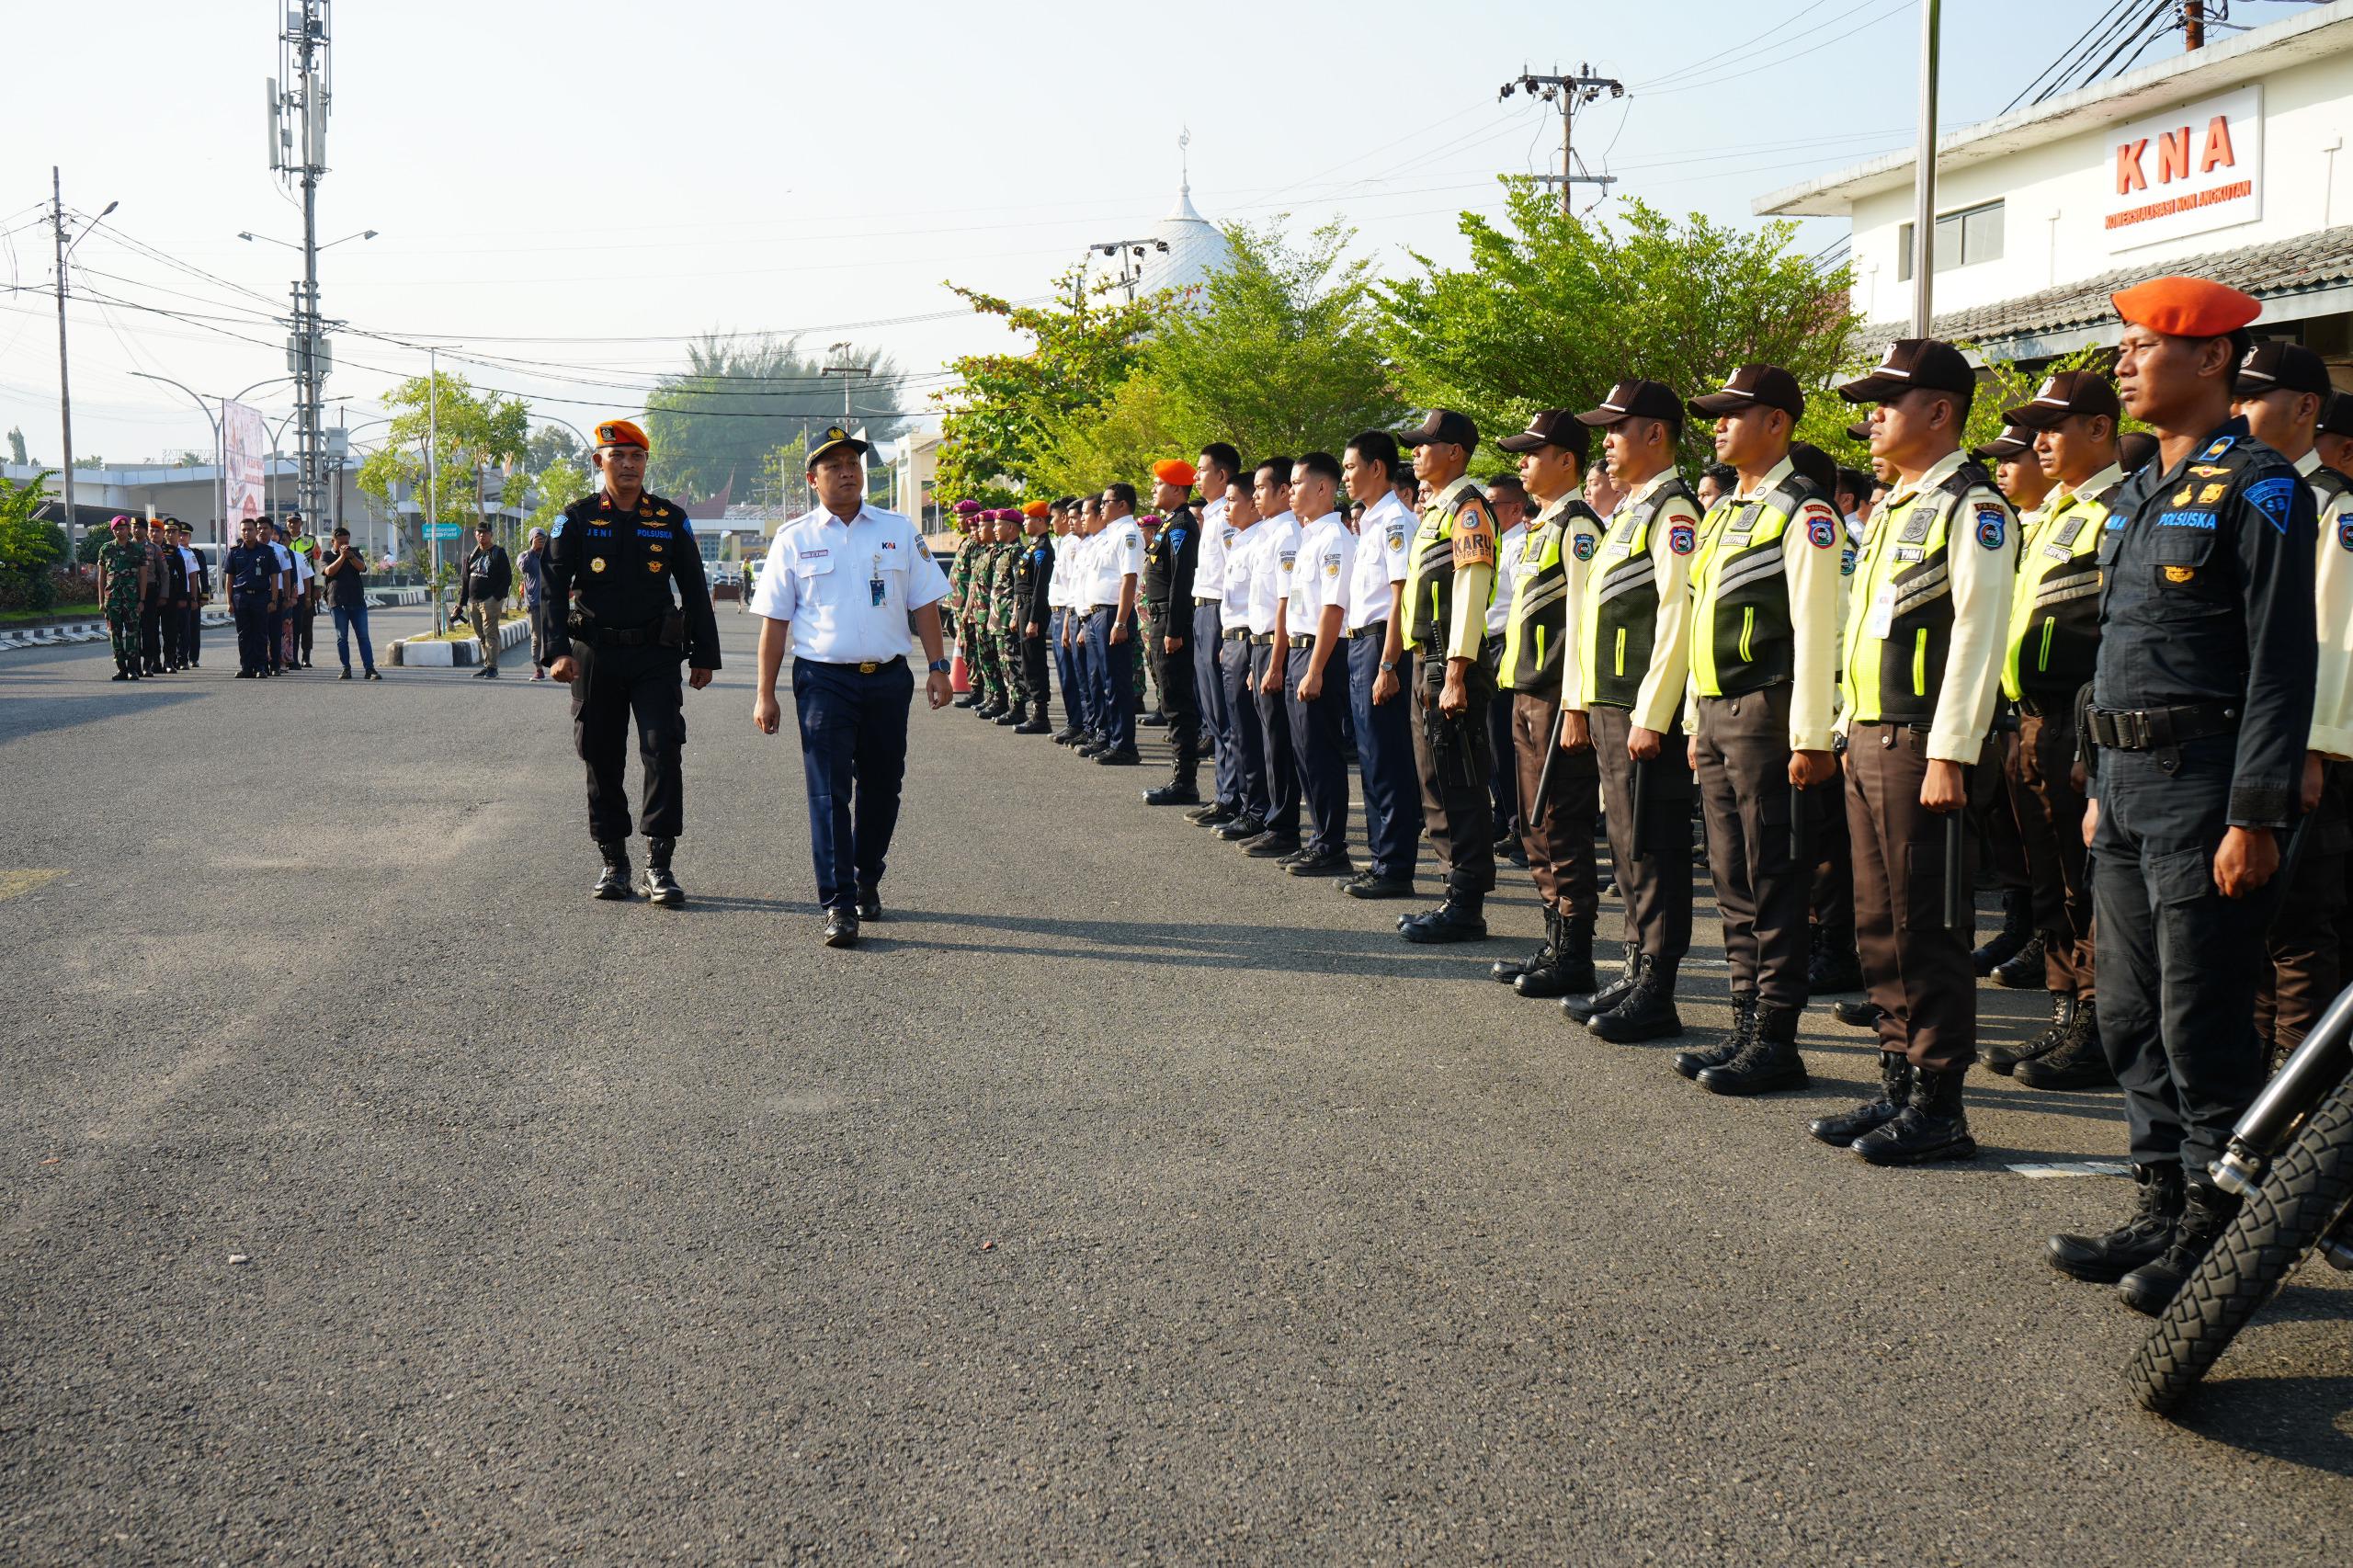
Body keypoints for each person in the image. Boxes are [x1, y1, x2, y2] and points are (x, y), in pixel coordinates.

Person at [2049, 278, 2318, 1312]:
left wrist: (2254, 813)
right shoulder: (2135, 490)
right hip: (2123, 785)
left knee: (2200, 1015)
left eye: (2141, 346)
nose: (2121, 364)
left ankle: (2216, 1225)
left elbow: (2280, 664)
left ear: (2210, 359)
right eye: (2120, 347)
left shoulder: (2260, 486)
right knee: (2126, 1011)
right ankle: (2158, 1202)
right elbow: (2117, 651)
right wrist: (2095, 780)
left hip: (2203, 788)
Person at [1819, 338, 2016, 1165]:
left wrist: (1951, 751)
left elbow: (1978, 633)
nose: (1872, 418)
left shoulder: (1974, 506)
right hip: (1872, 736)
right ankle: (1898, 1079)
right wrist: (1843, 724)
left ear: (1939, 412)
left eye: (1886, 404)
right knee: (1878, 922)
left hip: (1921, 744)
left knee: (1927, 925)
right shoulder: (1900, 505)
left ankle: (1940, 1104)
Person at [1674, 364, 1845, 1094]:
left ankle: (1777, 1036)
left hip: (1767, 712)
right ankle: (1744, 1021)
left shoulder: (1803, 510)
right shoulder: (1723, 512)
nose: (1717, 424)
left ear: (1776, 423)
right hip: (1718, 712)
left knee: (1773, 876)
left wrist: (1810, 736)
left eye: (1732, 413)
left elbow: (1817, 627)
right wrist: (1692, 717)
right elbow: (1699, 619)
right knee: (1731, 876)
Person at [751, 425, 951, 947]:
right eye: (834, 465)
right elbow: (775, 622)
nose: (847, 473)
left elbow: (925, 603)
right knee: (828, 792)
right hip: (823, 681)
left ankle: (866, 878)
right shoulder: (794, 538)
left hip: (887, 679)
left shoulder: (897, 529)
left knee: (883, 788)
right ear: (813, 479)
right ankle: (838, 903)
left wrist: (938, 665)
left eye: (853, 464)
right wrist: (765, 693)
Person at [1984, 369, 2125, 1088]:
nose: (2037, 441)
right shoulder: (2059, 512)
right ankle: (2065, 1011)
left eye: (2052, 427)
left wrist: (2094, 742)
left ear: (2100, 429)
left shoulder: (2120, 510)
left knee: (2087, 883)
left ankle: (2098, 1027)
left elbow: (2118, 635)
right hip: (2032, 719)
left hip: (2078, 721)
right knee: (2052, 881)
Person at [543, 417, 721, 906]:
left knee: (663, 749)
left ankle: (658, 866)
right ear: (598, 462)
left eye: (636, 456)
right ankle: (614, 862)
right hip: (594, 655)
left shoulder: (669, 518)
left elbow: (694, 587)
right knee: (600, 754)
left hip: (654, 654)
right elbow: (552, 589)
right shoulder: (576, 519)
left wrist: (705, 654)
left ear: (645, 462)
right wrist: (557, 651)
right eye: (617, 456)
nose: (627, 465)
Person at [1569, 381, 1701, 1037]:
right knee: (1625, 845)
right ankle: (1633, 967)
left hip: (1644, 710)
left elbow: (1677, 616)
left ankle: (1657, 987)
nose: (1606, 442)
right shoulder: (1631, 510)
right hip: (1612, 704)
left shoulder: (1674, 511)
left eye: (1617, 429)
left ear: (1655, 435)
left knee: (1654, 846)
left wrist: (1652, 712)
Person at [2231, 340, 2347, 1070]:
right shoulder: (2242, 489)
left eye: (2253, 396)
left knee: (2299, 923)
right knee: (2248, 918)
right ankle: (2253, 1067)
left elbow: (2335, 636)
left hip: (2302, 747)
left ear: (2305, 407)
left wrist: (2311, 749)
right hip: (2244, 734)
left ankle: (2295, 1081)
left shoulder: (2332, 503)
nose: (2237, 409)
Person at [1490, 410, 1607, 995]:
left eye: (1533, 453)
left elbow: (1586, 621)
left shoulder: (1577, 525)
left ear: (1566, 460)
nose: (1522, 463)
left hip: (1559, 695)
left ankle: (1575, 954)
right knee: (1536, 826)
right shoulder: (1543, 525)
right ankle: (1554, 941)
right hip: (1528, 689)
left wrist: (1578, 705)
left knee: (1562, 824)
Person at [1396, 410, 1500, 943]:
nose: (1415, 452)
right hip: (1428, 661)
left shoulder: (1468, 510)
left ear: (1455, 452)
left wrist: (1456, 671)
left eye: (1425, 444)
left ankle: (1466, 903)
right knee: (1435, 779)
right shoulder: (1438, 509)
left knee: (1457, 781)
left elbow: (1470, 592)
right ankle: (1453, 893)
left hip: (1449, 663)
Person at [1336, 431, 1424, 898]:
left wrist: (1389, 664)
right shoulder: (1371, 522)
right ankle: (1380, 860)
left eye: (1351, 467)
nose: (1346, 476)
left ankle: (1394, 867)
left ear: (1376, 468)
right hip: (1361, 644)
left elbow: (1400, 597)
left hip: (1381, 646)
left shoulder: (1395, 521)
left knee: (1388, 760)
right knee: (1371, 759)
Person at [1280, 452, 1356, 877]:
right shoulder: (1309, 537)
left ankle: (1332, 845)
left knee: (1321, 752)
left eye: (1297, 484)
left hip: (1320, 653)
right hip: (1299, 650)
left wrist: (1315, 669)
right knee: (1303, 752)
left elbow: (1333, 608)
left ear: (1323, 488)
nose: (1291, 491)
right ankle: (1318, 840)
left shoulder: (1334, 539)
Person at [1242, 459, 1303, 858]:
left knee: (1280, 742)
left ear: (1283, 490)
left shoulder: (1287, 534)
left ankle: (1284, 827)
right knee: (1268, 740)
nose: (1255, 496)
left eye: (1261, 488)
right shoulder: (1266, 533)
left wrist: (1276, 662)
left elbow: (1284, 603)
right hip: (1260, 644)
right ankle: (1272, 820)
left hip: (1276, 645)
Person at [1211, 478, 1273, 843]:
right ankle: (1249, 807)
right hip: (1234, 639)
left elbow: (1259, 605)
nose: (1226, 507)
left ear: (1252, 503)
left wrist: (1249, 652)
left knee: (1250, 732)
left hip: (1251, 641)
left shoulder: (1261, 542)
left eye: (1232, 500)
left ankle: (1258, 810)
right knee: (1238, 730)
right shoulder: (1240, 542)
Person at [1141, 460, 1205, 801]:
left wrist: (1175, 628)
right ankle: (1180, 777)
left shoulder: (1180, 525)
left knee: (1178, 701)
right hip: (1160, 618)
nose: (1154, 488)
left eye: (1159, 483)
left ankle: (1185, 781)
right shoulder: (1170, 523)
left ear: (1177, 488)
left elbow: (1182, 580)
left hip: (1170, 620)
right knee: (1170, 698)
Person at [1188, 445, 1243, 824]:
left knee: (1224, 714)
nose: (1196, 477)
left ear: (1222, 475)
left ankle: (1231, 797)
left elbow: (1232, 578)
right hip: (1203, 609)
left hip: (1219, 612)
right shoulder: (1211, 515)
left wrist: (1225, 629)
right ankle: (1223, 793)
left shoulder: (1226, 518)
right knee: (1211, 711)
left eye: (1202, 470)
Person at [1482, 472, 1532, 860]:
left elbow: (1519, 607)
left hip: (1505, 645)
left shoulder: (1519, 546)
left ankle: (1519, 825)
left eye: (1492, 504)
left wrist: (1510, 656)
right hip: (1488, 645)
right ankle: (1502, 816)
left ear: (1515, 508)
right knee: (1490, 741)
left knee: (1505, 742)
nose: (1486, 511)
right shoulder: (1496, 543)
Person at [1085, 488, 1145, 764]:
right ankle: (1109, 737)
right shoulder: (1110, 534)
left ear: (1122, 505)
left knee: (1117, 682)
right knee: (1102, 681)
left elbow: (1129, 579)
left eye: (1105, 502)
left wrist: (1121, 621)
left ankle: (1124, 745)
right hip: (1098, 613)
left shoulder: (1128, 533)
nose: (1101, 506)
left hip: (1113, 614)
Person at [1016, 499, 1057, 734]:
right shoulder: (1033, 546)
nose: (1024, 523)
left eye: (1028, 519)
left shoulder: (1042, 549)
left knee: (1034, 661)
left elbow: (1040, 588)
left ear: (1040, 520)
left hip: (1033, 608)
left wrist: (1033, 619)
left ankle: (1040, 715)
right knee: (1027, 660)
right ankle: (1036, 711)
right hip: (1024, 607)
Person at [456, 520, 515, 678]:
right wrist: (461, 604)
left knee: (490, 633)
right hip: (474, 602)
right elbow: (465, 580)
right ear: (475, 534)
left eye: (485, 532)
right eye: (479, 532)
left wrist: (496, 598)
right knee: (481, 635)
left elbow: (507, 578)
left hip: (490, 601)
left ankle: (493, 668)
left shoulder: (498, 552)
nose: (482, 535)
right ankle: (487, 665)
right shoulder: (471, 555)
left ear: (491, 535)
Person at [320, 525, 380, 679]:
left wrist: (351, 556)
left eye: (346, 542)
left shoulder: (355, 553)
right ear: (333, 542)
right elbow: (329, 571)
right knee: (342, 638)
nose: (344, 545)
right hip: (337, 602)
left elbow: (362, 568)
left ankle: (370, 669)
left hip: (357, 601)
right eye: (340, 542)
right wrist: (342, 556)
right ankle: (346, 668)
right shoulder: (326, 555)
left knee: (363, 637)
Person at [96, 516, 145, 681]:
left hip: (132, 600)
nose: (119, 532)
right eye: (116, 529)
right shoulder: (106, 549)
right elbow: (102, 577)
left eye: (122, 528)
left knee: (132, 634)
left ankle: (132, 669)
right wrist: (101, 601)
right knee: (114, 635)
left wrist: (142, 600)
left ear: (128, 530)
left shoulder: (137, 549)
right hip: (112, 599)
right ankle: (121, 668)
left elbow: (143, 576)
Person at [224, 517, 273, 678]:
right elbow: (229, 579)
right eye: (244, 530)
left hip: (260, 597)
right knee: (243, 634)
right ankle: (246, 667)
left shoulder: (266, 551)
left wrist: (273, 600)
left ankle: (260, 667)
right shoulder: (234, 552)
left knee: (260, 633)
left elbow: (274, 576)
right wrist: (229, 601)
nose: (247, 532)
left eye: (250, 529)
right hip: (241, 598)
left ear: (256, 531)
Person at [286, 515, 320, 668]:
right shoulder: (282, 539)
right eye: (290, 522)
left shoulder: (311, 541)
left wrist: (317, 587)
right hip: (287, 584)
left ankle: (306, 655)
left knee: (306, 622)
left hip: (307, 583)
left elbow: (317, 565)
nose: (292, 524)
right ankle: (290, 656)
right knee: (289, 623)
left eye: (295, 522)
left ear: (301, 523)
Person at [521, 526, 552, 677]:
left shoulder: (550, 555)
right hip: (534, 604)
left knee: (554, 635)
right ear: (531, 540)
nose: (540, 541)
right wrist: (533, 550)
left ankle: (556, 665)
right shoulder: (525, 556)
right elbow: (523, 567)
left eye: (543, 538)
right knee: (537, 638)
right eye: (537, 538)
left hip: (552, 603)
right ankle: (538, 668)